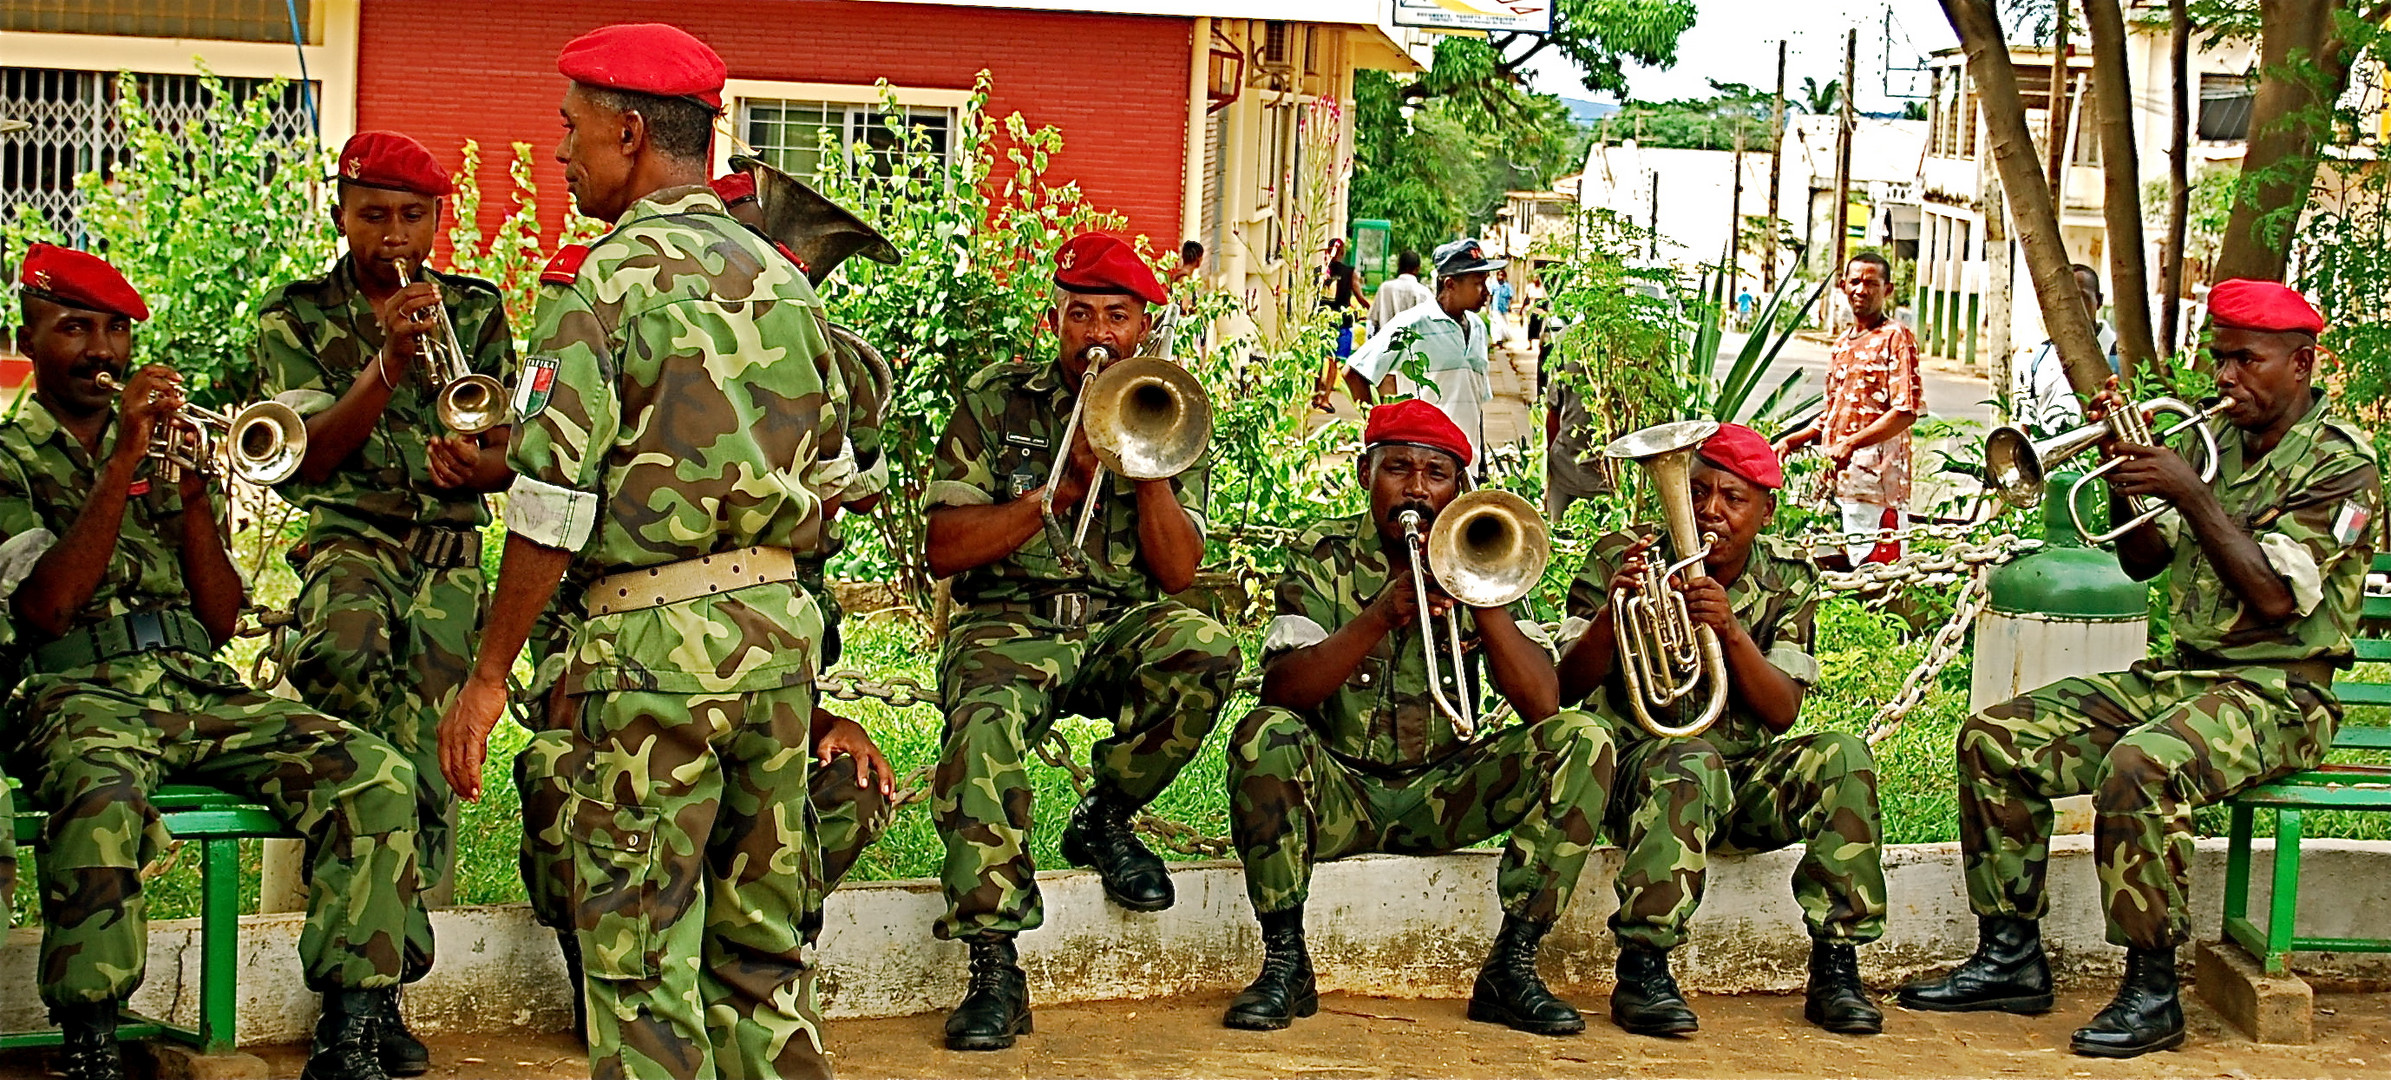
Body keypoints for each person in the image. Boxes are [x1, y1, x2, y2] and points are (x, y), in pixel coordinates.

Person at [433, 23, 850, 1079]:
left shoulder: (604, 286)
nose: (560, 153)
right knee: (764, 955)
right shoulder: (789, 283)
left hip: (653, 653)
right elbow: (837, 485)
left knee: (641, 960)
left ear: (629, 134)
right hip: (779, 644)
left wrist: (488, 678)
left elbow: (550, 504)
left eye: (570, 130)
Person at [1898, 281, 2382, 1059]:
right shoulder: (2203, 442)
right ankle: (2010, 957)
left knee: (2140, 766)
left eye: (2244, 360)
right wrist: (2128, 488)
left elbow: (2271, 598)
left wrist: (2190, 494)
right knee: (1994, 740)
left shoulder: (2338, 466)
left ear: (2300, 364)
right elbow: (2144, 562)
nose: (2224, 377)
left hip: (2280, 692)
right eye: (2219, 357)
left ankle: (2152, 987)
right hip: (2184, 676)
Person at [3, 244, 421, 1080]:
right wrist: (121, 466)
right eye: (74, 328)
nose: (100, 352)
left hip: (195, 684)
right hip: (72, 689)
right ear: (27, 336)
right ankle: (93, 1040)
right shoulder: (9, 456)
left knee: (372, 772)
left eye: (115, 333)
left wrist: (192, 493)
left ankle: (352, 1032)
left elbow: (222, 614)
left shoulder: (167, 450)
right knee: (102, 791)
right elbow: (45, 607)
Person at [923, 231, 1242, 1051]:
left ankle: (1106, 815)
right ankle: (994, 966)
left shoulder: (1173, 404)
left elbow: (1177, 573)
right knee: (983, 727)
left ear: (1145, 327)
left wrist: (1149, 465)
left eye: (1117, 316)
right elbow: (943, 548)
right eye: (1080, 314)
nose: (1097, 332)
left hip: (1115, 624)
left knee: (1205, 648)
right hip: (1011, 621)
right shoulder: (999, 398)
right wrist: (1047, 496)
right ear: (1055, 317)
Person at [1222, 399, 1613, 1035]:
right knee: (1265, 734)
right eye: (1399, 468)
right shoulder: (1322, 555)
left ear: (1460, 487)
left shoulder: (1490, 547)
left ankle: (1512, 969)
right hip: (1341, 790)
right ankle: (1286, 963)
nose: (1419, 488)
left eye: (1438, 474)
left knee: (1581, 740)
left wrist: (1479, 595)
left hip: (1445, 788)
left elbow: (1545, 705)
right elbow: (1284, 689)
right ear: (1364, 474)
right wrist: (1377, 615)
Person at [252, 130, 515, 1072]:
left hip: (449, 561)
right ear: (341, 215)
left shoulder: (475, 311)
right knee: (356, 762)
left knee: (426, 771)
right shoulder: (295, 317)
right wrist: (388, 364)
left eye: (412, 216)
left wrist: (474, 462)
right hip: (351, 551)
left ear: (439, 219)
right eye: (375, 215)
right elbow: (304, 455)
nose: (394, 234)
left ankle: (382, 995)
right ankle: (349, 998)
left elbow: (510, 441)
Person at [1558, 423, 1886, 1038]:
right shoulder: (1620, 557)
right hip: (1641, 775)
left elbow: (1783, 709)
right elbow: (1564, 686)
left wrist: (1731, 632)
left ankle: (1837, 965)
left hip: (1740, 778)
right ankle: (1643, 968)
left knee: (1843, 756)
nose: (1710, 510)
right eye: (1699, 490)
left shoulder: (1786, 576)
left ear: (1765, 509)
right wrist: (1611, 614)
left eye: (1733, 499)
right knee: (1690, 763)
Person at [1775, 252, 1924, 566]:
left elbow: (1905, 411)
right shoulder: (1842, 344)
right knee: (1828, 567)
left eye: (1871, 283)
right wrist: (1793, 440)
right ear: (1843, 286)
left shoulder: (1895, 337)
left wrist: (1852, 444)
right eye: (1855, 281)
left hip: (1876, 487)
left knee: (1877, 572)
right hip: (1836, 481)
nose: (1862, 289)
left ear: (1888, 290)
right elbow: (1833, 415)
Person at [1345, 238, 1501, 473]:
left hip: (1468, 466)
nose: (1486, 292)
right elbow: (1354, 372)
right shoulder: (1413, 324)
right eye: (1479, 283)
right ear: (1450, 284)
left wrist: (1482, 465)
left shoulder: (1478, 329)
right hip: (1426, 469)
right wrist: (1380, 431)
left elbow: (1476, 404)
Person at [2010, 263, 2121, 438]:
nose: (2072, 307)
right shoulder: (2042, 356)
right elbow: (2026, 422)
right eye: (2065, 299)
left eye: (2081, 297)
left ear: (2098, 301)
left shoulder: (2117, 354)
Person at [1311, 238, 1368, 410]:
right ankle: (1326, 398)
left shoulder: (1319, 272)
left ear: (1327, 252)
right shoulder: (1350, 273)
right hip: (1342, 321)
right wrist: (1371, 308)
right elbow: (1359, 297)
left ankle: (1316, 394)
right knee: (1334, 362)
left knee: (1320, 358)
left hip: (1322, 319)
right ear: (1342, 253)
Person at [1367, 249, 1432, 337]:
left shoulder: (1384, 288)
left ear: (1398, 265)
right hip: (1412, 348)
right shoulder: (1424, 292)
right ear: (1418, 269)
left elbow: (1373, 320)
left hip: (1384, 346)